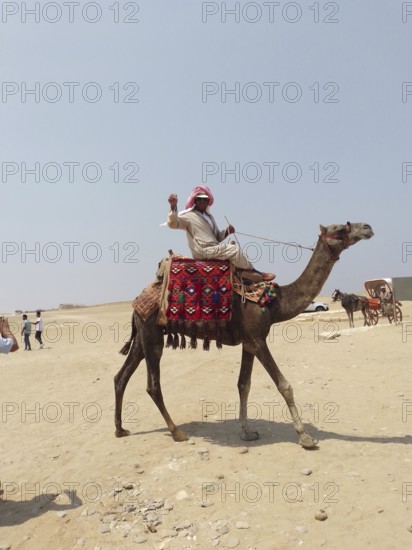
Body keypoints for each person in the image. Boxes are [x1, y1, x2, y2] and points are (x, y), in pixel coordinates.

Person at [167, 186, 275, 282]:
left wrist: (227, 232)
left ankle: (244, 273)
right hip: (203, 250)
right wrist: (173, 207)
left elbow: (216, 237)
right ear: (195, 201)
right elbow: (173, 224)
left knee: (234, 249)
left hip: (213, 248)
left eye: (205, 199)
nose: (202, 202)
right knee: (234, 250)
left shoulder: (210, 218)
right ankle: (255, 272)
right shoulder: (189, 216)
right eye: (199, 199)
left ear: (208, 201)